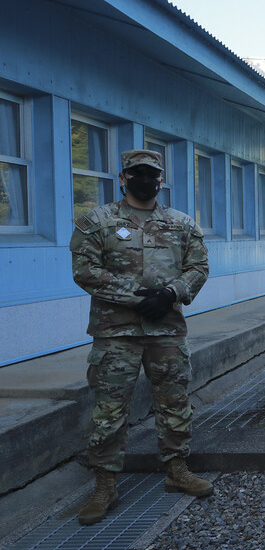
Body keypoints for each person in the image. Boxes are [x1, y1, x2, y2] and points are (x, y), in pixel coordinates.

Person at [70, 149, 212, 526]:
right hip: (116, 333)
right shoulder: (97, 222)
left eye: (151, 174)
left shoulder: (182, 224)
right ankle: (105, 484)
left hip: (166, 330)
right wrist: (136, 297)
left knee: (175, 401)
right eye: (137, 174)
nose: (145, 180)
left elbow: (199, 266)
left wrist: (171, 293)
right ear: (123, 178)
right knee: (109, 410)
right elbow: (85, 270)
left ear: (160, 180)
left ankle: (177, 470)